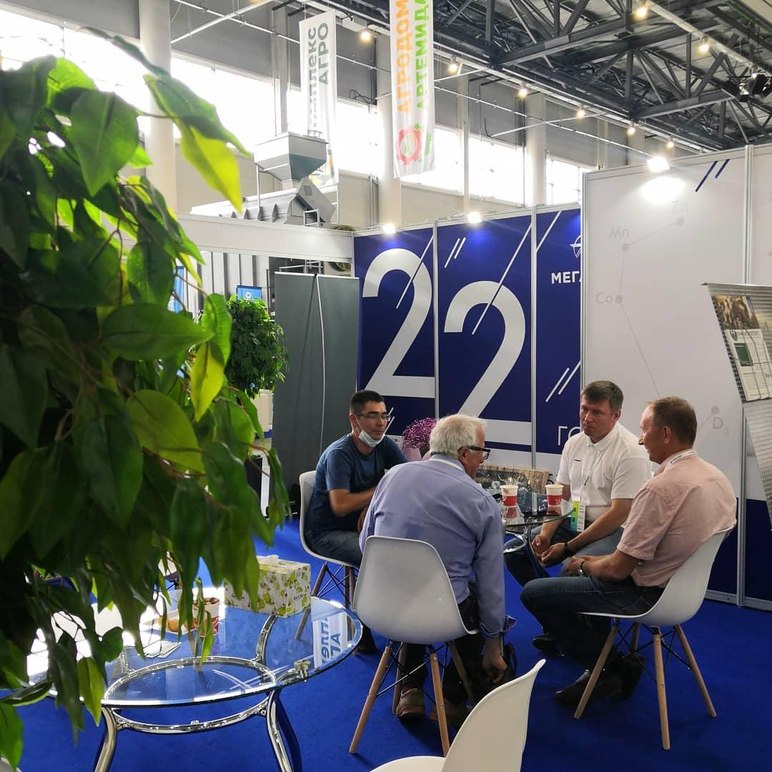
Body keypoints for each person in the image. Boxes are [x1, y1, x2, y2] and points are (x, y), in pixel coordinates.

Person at [520, 397, 736, 706]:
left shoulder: (659, 488)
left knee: (533, 593)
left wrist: (580, 564)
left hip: (644, 594)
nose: (640, 439)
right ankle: (600, 656)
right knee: (583, 566)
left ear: (665, 434)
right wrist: (589, 559)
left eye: (644, 430)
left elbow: (617, 570)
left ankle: (610, 667)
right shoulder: (717, 478)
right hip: (683, 592)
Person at [359, 414, 509, 726]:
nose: (482, 460)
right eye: (482, 452)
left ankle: (411, 690)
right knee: (472, 604)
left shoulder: (392, 477)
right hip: (440, 614)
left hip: (378, 605)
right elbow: (491, 585)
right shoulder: (481, 502)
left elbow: (365, 544)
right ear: (464, 454)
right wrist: (493, 646)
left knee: (418, 586)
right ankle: (452, 698)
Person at [505, 380, 650, 654]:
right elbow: (560, 497)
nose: (587, 418)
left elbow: (618, 513)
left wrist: (569, 547)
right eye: (584, 409)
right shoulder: (574, 443)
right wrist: (546, 534)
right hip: (574, 522)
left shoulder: (631, 451)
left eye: (597, 412)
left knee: (572, 568)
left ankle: (574, 635)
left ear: (616, 415)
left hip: (615, 530)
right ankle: (562, 624)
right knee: (515, 552)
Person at [305, 389, 406, 568]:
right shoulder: (339, 454)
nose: (381, 423)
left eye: (384, 416)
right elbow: (341, 505)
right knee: (386, 559)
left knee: (413, 547)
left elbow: (407, 478)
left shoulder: (384, 444)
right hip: (328, 533)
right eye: (372, 416)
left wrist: (370, 504)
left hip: (366, 525)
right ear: (354, 419)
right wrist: (378, 492)